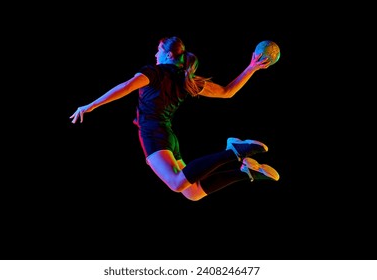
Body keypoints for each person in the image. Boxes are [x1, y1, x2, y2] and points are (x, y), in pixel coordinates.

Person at [70, 36, 280, 201]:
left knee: (176, 184)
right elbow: (227, 92)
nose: (155, 54)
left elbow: (125, 87)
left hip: (152, 133)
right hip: (166, 136)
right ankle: (245, 172)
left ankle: (232, 151)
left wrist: (90, 105)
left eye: (158, 50)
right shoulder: (186, 78)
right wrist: (251, 68)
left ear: (169, 54)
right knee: (193, 193)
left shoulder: (154, 72)